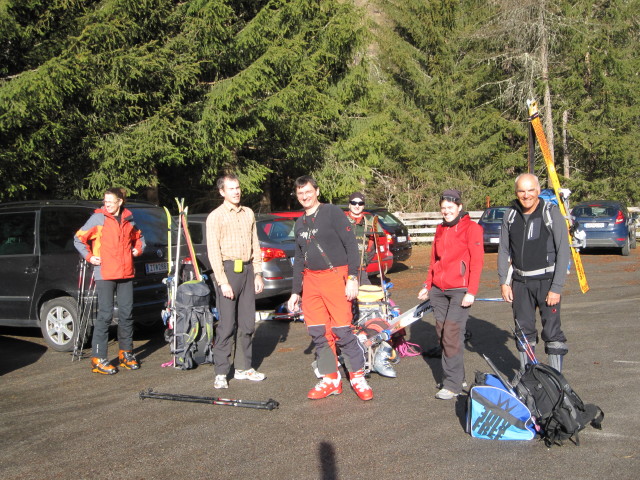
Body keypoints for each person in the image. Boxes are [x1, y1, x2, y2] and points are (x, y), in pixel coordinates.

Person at [287, 176, 372, 401]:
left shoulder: (332, 212)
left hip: (336, 276)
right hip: (311, 281)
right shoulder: (299, 223)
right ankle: (331, 379)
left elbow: (351, 244)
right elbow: (298, 257)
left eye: (308, 191)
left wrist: (353, 277)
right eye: (300, 193)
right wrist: (296, 291)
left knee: (342, 331)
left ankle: (357, 378)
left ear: (317, 191)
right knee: (319, 333)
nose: (305, 196)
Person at [498, 173, 570, 372]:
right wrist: (504, 282)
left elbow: (563, 250)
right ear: (516, 192)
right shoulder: (510, 215)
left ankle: (555, 379)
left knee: (552, 332)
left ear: (538, 191)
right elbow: (504, 249)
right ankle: (527, 377)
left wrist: (556, 287)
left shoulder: (551, 212)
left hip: (547, 282)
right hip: (520, 282)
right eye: (521, 190)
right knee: (523, 331)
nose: (526, 195)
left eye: (531, 190)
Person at [417, 189, 484, 400]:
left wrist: (471, 291)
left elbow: (477, 261)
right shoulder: (440, 229)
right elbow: (433, 260)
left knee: (451, 333)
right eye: (443, 208)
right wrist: (428, 285)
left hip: (460, 291)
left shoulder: (472, 229)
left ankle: (453, 385)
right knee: (443, 334)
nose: (446, 212)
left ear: (459, 207)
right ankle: (458, 376)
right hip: (438, 290)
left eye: (450, 208)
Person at [74, 188, 145, 374]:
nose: (107, 205)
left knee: (126, 314)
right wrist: (90, 257)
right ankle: (98, 359)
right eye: (105, 201)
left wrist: (138, 249)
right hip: (105, 273)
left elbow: (139, 238)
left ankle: (126, 353)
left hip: (126, 273)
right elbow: (78, 239)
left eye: (111, 202)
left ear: (120, 201)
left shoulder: (129, 219)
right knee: (105, 315)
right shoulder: (98, 219)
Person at [206, 174, 266, 389]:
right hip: (228, 271)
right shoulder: (216, 216)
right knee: (227, 325)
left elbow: (255, 243)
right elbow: (213, 252)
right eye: (231, 188)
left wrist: (258, 272)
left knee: (248, 323)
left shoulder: (248, 213)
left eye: (238, 187)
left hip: (248, 269)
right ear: (222, 192)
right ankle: (221, 372)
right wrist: (222, 282)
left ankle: (243, 367)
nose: (236, 192)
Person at [345, 192, 376, 285]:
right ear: (349, 205)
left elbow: (371, 249)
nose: (357, 206)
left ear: (363, 206)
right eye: (354, 203)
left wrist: (364, 262)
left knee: (368, 297)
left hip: (360, 270)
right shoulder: (341, 221)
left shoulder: (369, 224)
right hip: (343, 270)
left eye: (360, 203)